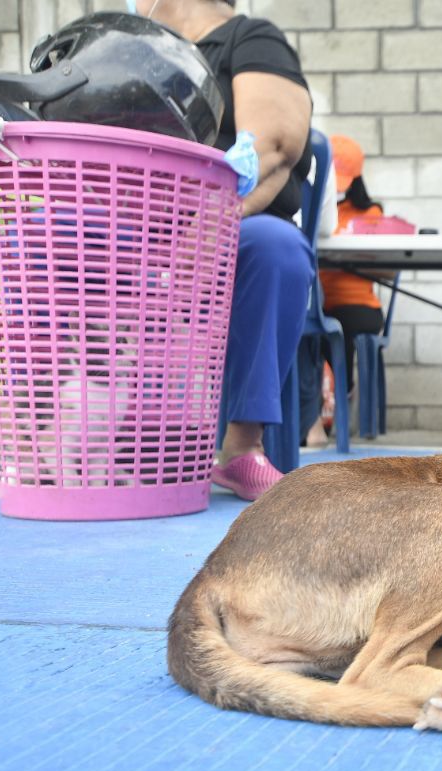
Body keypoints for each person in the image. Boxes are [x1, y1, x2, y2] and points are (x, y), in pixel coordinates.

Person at [131, 0, 314, 501]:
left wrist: (210, 226)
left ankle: (239, 449)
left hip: (235, 221)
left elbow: (275, 145)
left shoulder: (246, 39)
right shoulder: (127, 46)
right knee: (39, 233)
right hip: (133, 223)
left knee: (276, 247)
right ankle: (52, 443)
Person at [299, 134, 387, 447]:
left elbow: (386, 268)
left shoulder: (371, 213)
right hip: (321, 302)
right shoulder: (308, 203)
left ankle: (342, 407)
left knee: (347, 327)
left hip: (357, 303)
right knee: (306, 334)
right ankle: (314, 416)